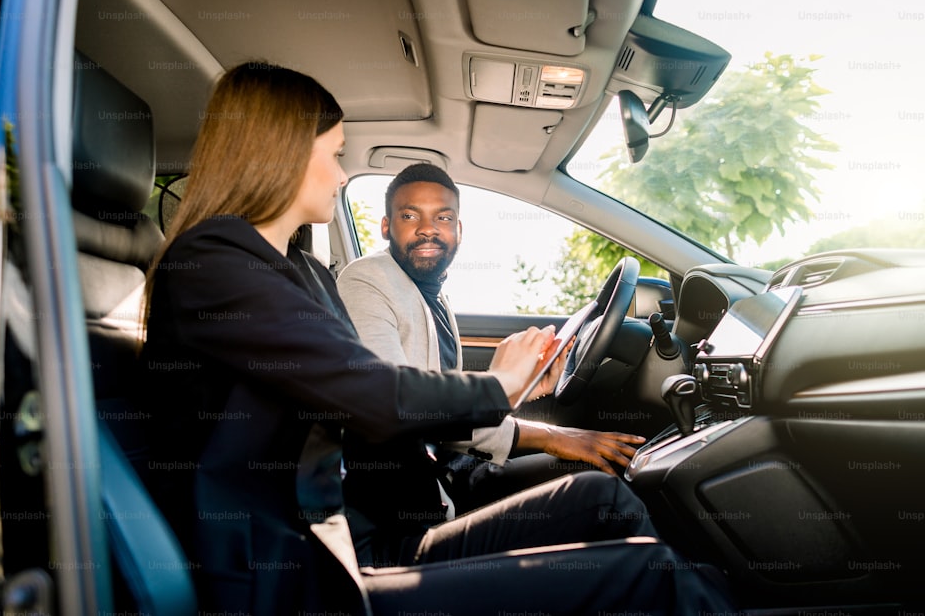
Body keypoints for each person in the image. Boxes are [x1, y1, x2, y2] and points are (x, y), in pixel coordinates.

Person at [139, 61, 736, 615]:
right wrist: (500, 385)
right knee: (651, 573)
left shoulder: (301, 272)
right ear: (284, 152)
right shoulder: (214, 264)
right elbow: (376, 397)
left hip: (351, 537)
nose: (343, 173)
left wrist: (517, 388)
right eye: (335, 154)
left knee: (600, 505)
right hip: (299, 577)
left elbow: (365, 390)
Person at [337, 163, 645, 514]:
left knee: (600, 469)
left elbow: (446, 416)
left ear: (458, 229)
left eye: (443, 218)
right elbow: (397, 404)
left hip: (452, 465)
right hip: (414, 499)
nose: (428, 230)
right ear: (386, 227)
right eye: (410, 216)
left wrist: (527, 391)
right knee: (605, 497)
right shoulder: (366, 280)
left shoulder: (432, 294)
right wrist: (541, 426)